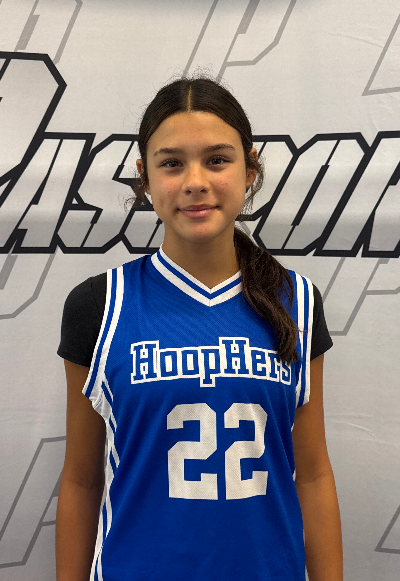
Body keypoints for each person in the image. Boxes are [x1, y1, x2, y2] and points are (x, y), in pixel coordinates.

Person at [56, 77, 343, 581]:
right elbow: (81, 481)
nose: (195, 181)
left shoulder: (296, 301)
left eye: (216, 160)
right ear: (144, 178)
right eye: (171, 163)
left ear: (250, 168)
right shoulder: (99, 305)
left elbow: (314, 474)